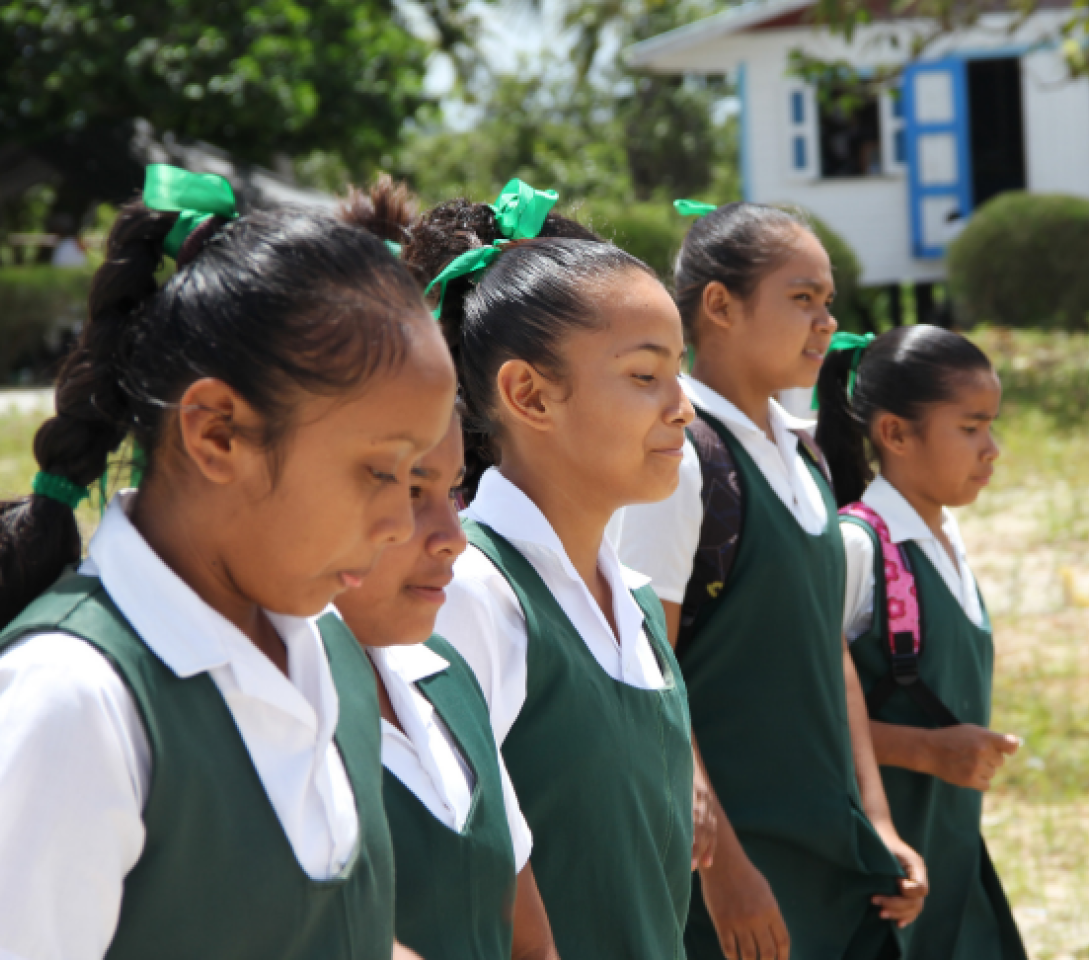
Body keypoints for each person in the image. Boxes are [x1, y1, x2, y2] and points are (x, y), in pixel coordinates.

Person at [0, 165, 455, 960]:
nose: (397, 523)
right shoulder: (74, 705)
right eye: (383, 472)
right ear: (216, 434)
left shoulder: (327, 648)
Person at [614, 201, 927, 960]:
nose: (826, 322)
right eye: (801, 298)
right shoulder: (685, 462)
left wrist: (879, 822)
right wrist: (724, 876)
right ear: (719, 306)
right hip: (742, 874)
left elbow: (832, 655)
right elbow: (649, 675)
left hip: (836, 857)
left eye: (828, 302)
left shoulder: (807, 457)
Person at [411, 195, 697, 959]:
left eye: (679, 372)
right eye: (646, 376)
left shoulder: (632, 599)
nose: (684, 408)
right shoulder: (466, 594)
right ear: (529, 395)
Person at [814, 325, 1027, 960]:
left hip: (954, 868)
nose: (992, 449)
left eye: (991, 426)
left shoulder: (946, 537)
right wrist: (926, 750)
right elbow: (799, 718)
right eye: (970, 428)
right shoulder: (858, 549)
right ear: (896, 433)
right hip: (882, 891)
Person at [333, 405, 559, 960]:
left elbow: (530, 944)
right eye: (412, 491)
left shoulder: (445, 675)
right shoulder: (262, 711)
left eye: (452, 492)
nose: (453, 537)